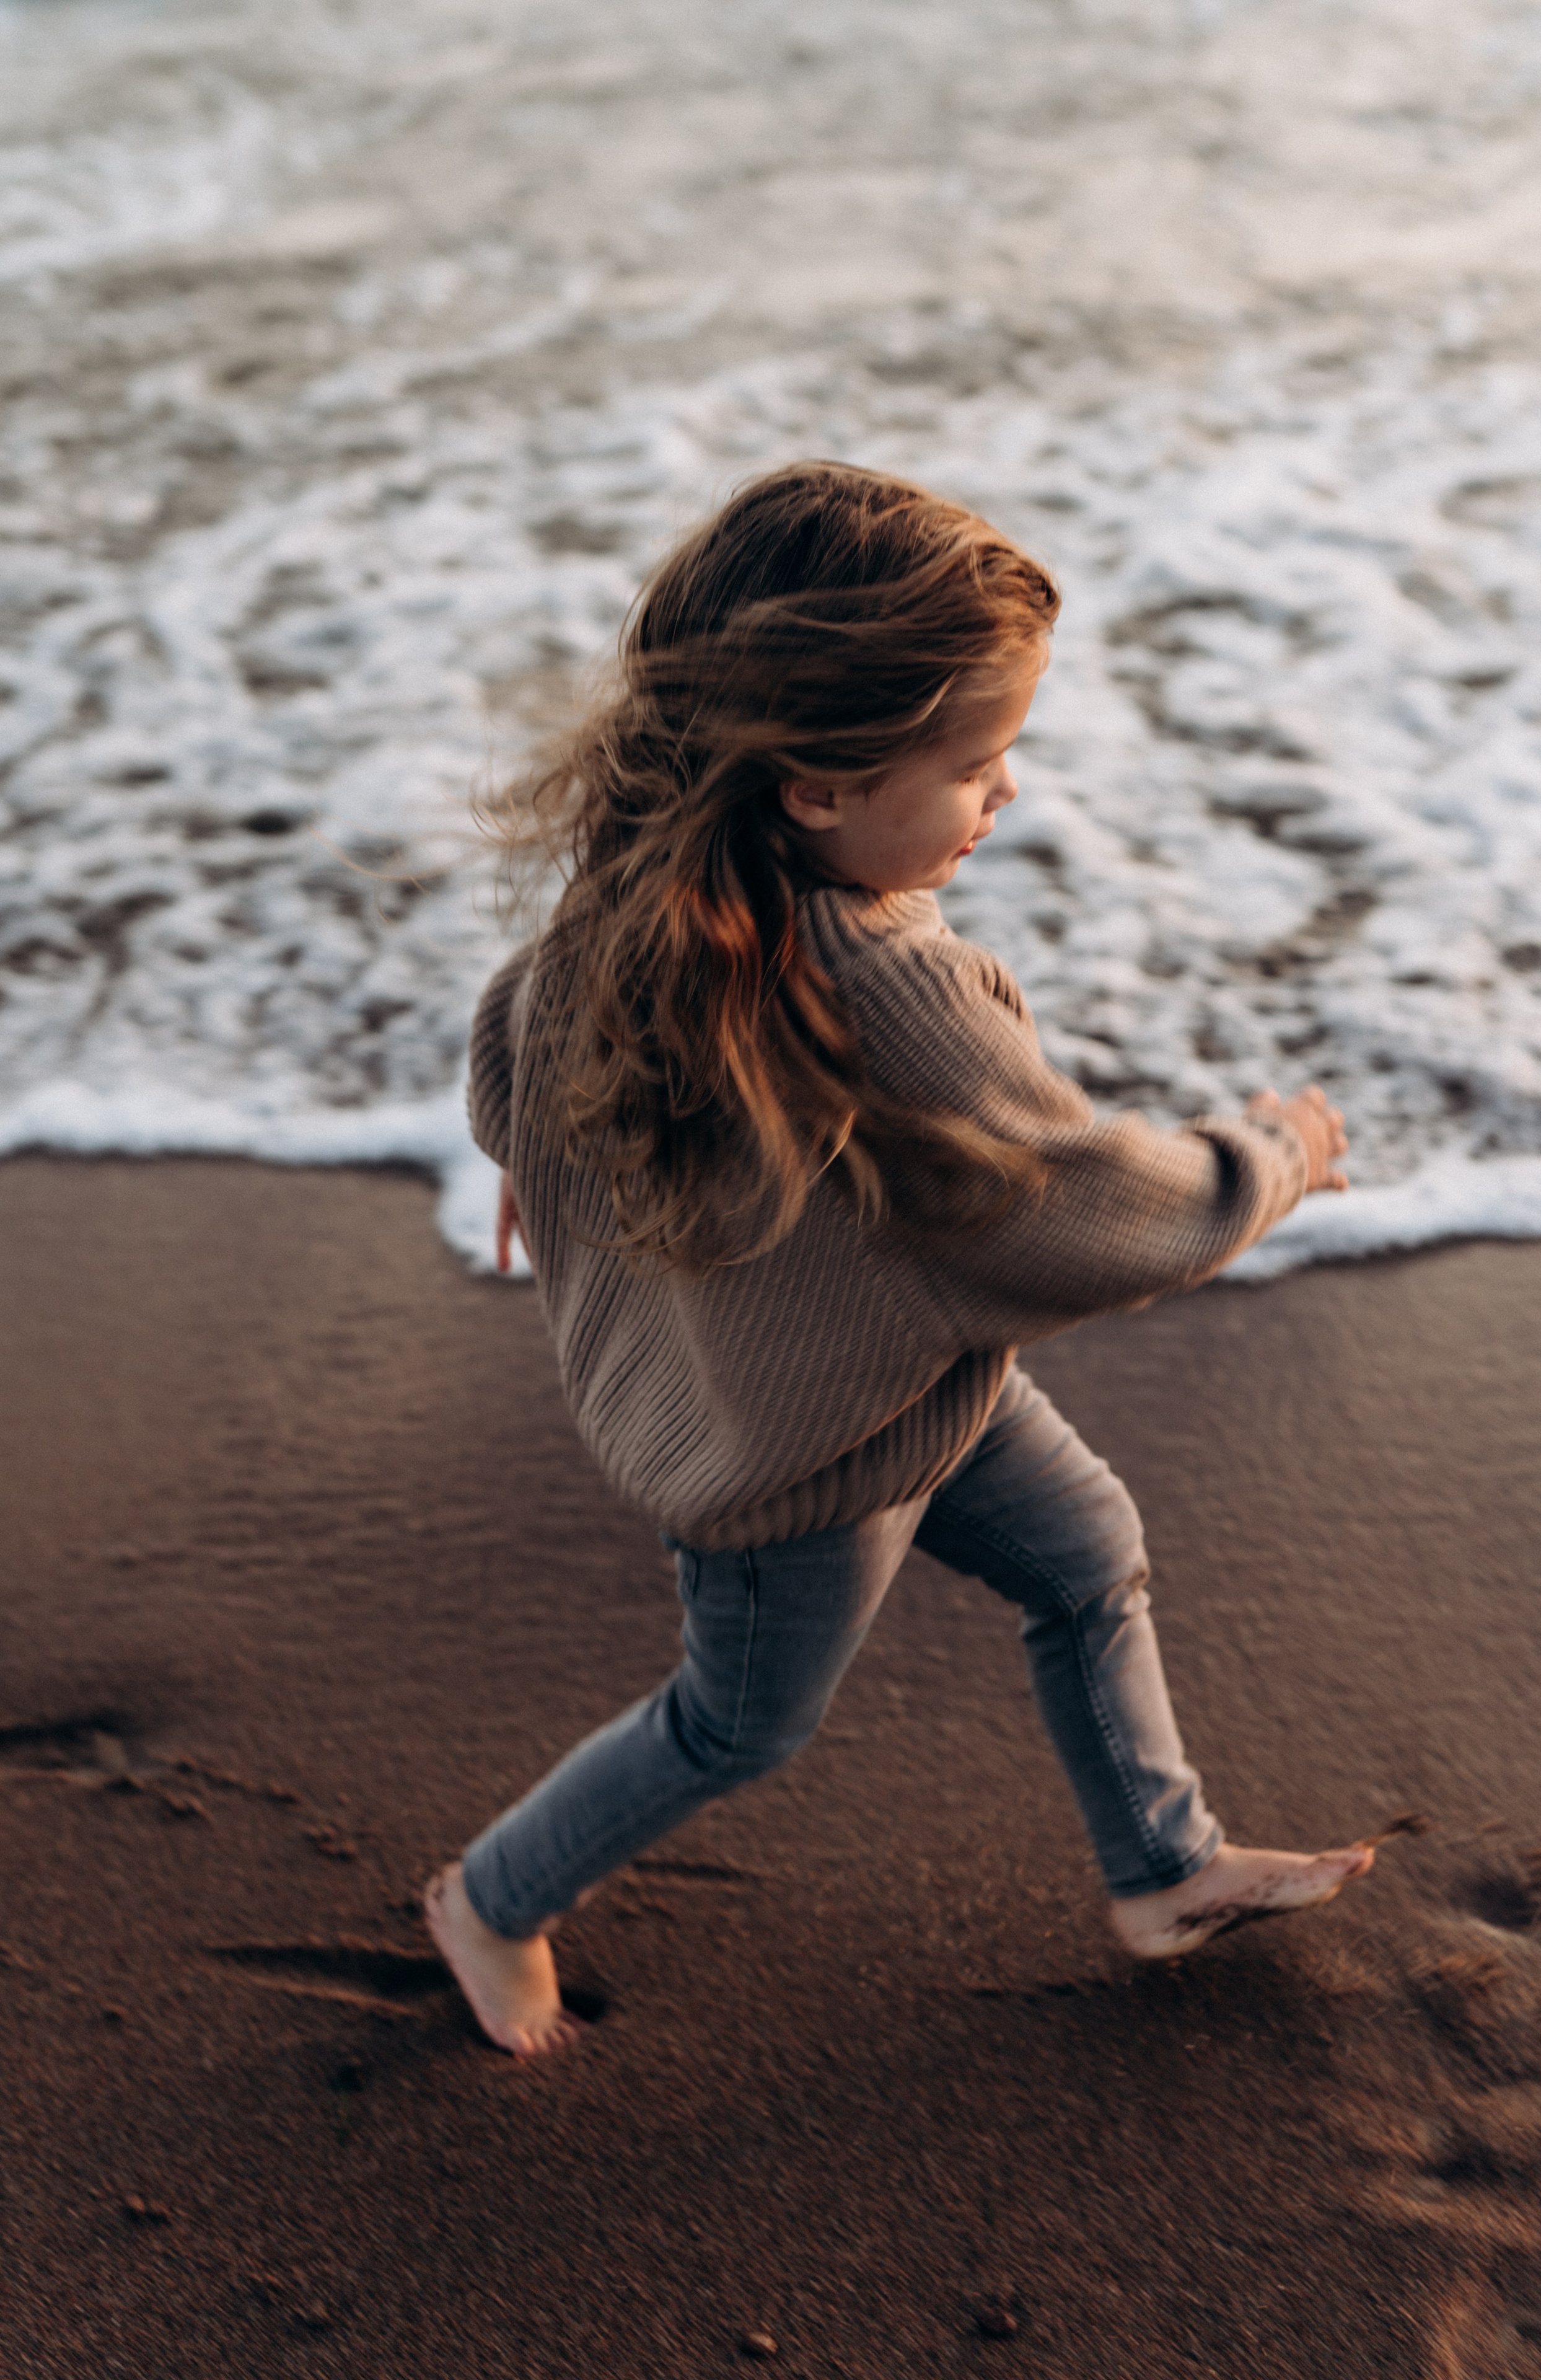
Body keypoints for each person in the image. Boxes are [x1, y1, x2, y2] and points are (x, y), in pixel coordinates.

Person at [424, 462, 1369, 2058]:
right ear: (814, 786)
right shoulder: (886, 979)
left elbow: (518, 1022)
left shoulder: (661, 876)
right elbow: (1067, 1201)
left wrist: (522, 1149)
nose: (1004, 796)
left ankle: (1163, 1867)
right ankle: (492, 1898)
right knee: (734, 1725)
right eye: (978, 763)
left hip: (902, 1373)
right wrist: (1269, 1158)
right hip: (788, 1456)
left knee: (1082, 1553)